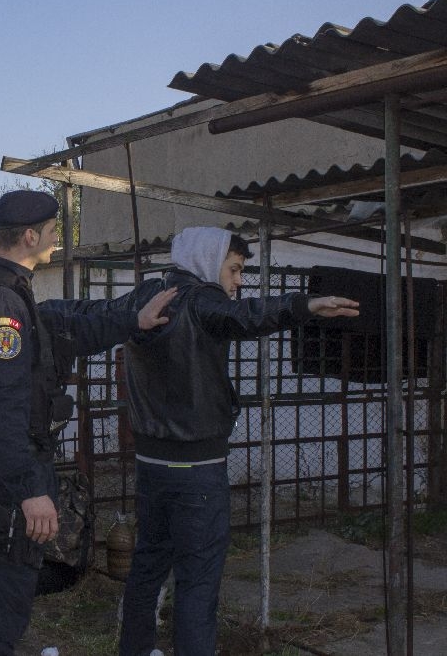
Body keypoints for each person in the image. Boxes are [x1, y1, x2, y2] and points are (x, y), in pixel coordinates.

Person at [0, 191, 179, 655]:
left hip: (3, 465)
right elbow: (0, 410)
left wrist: (134, 319)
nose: (58, 239)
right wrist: (30, 491)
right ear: (30, 237)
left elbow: (66, 331)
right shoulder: (2, 307)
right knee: (8, 602)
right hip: (11, 471)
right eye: (54, 231)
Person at [117, 227, 359, 656]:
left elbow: (87, 315)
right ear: (209, 261)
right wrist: (303, 305)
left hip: (151, 466)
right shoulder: (201, 301)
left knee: (147, 567)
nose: (238, 281)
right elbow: (246, 315)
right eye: (233, 269)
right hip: (198, 471)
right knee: (197, 583)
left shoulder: (146, 297)